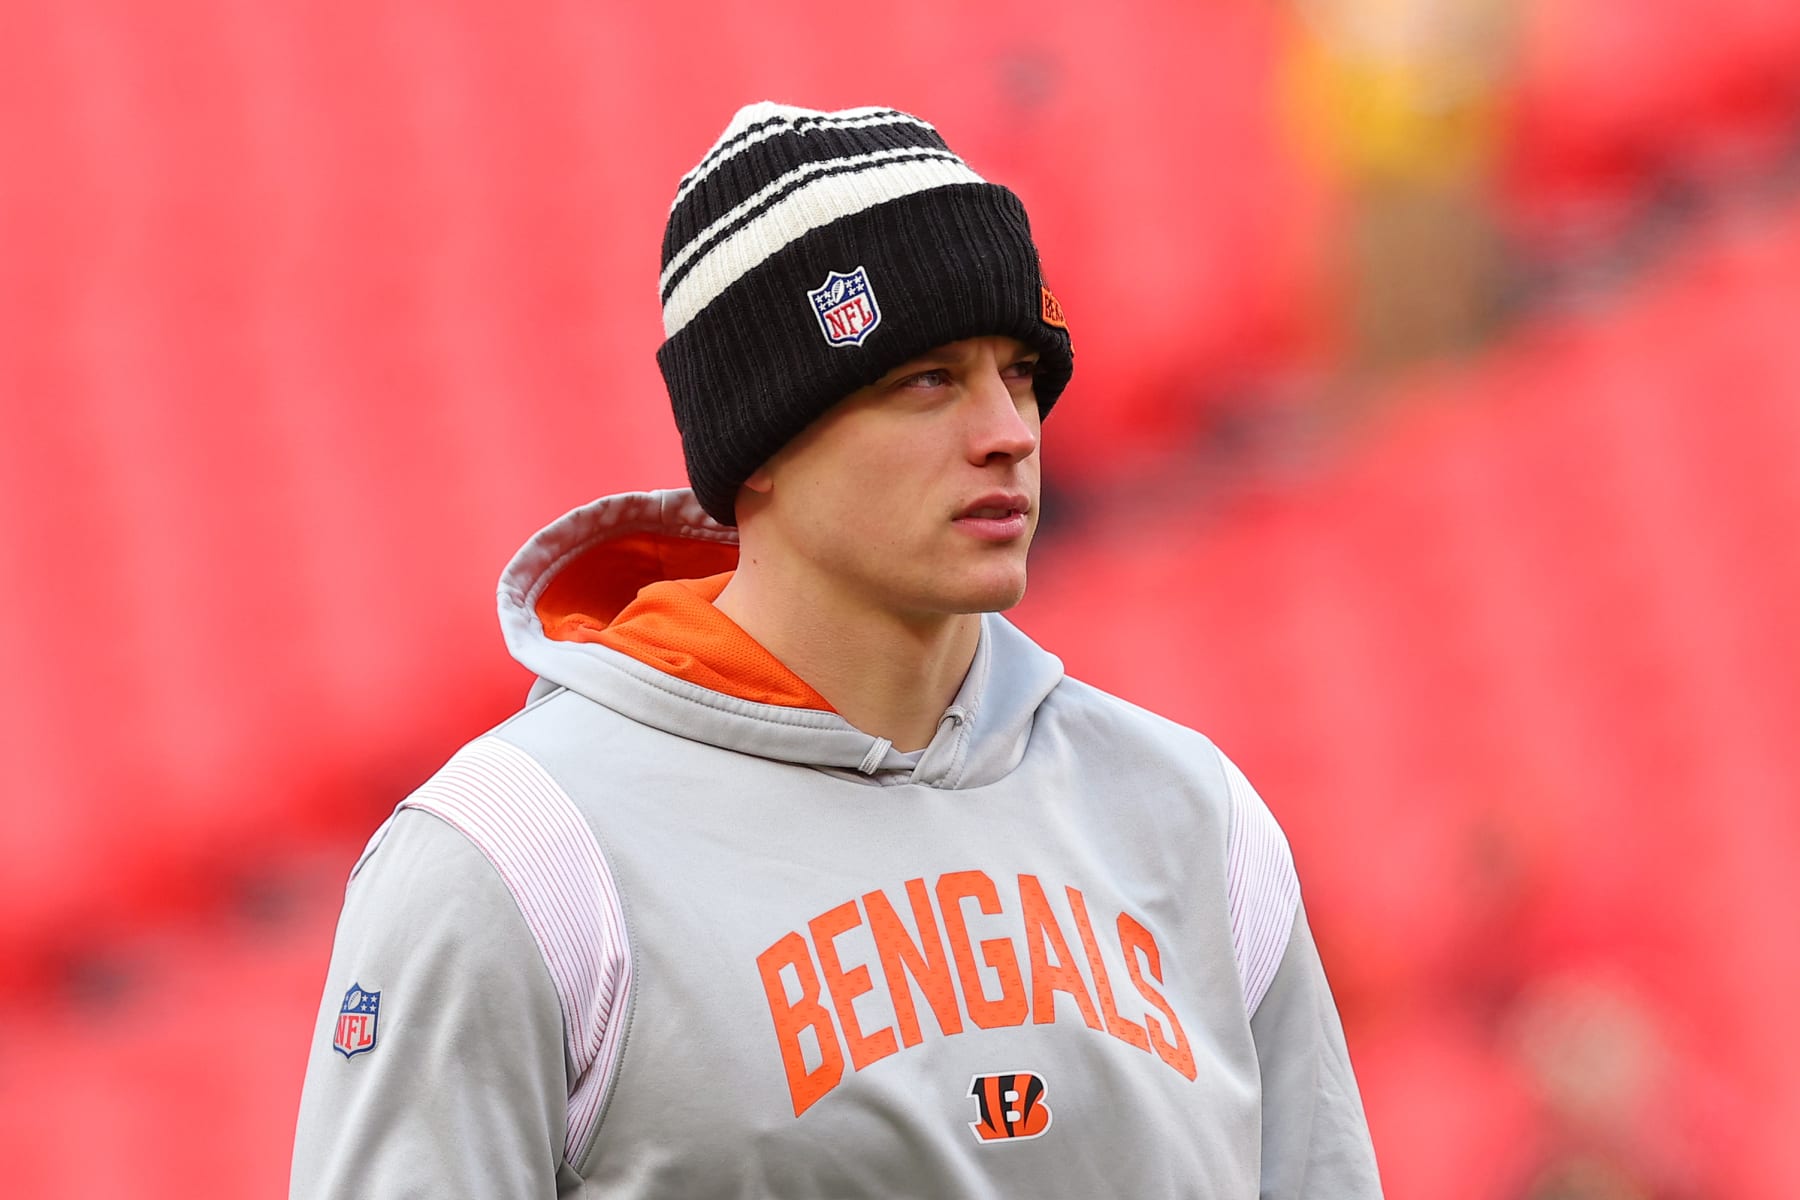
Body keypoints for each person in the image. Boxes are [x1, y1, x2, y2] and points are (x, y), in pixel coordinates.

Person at [291, 101, 1383, 1199]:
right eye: (928, 380)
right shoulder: (519, 858)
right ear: (762, 442)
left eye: (1019, 372)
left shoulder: (1194, 817)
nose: (1008, 428)